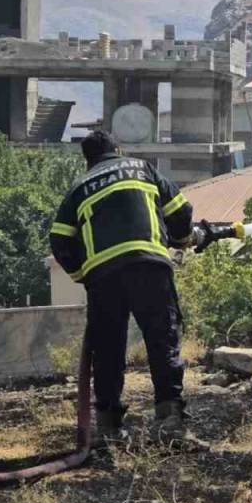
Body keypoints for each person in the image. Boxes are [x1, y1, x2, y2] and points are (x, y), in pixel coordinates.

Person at [49, 130, 195, 443]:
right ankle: (170, 421)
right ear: (118, 148)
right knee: (161, 339)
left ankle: (108, 428)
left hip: (103, 278)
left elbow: (60, 240)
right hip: (149, 266)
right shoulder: (141, 168)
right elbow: (181, 212)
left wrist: (81, 274)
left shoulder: (79, 187)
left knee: (108, 350)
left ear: (88, 160)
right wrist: (182, 239)